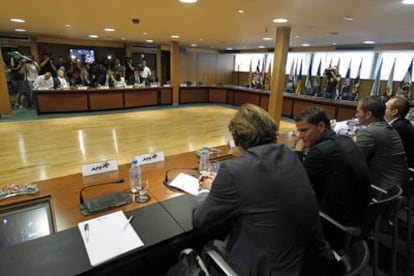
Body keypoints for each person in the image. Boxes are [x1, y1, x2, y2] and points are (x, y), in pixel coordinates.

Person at [193, 104, 336, 275]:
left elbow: (200, 221)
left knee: (209, 247)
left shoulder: (233, 170)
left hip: (273, 270)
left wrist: (206, 190)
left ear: (236, 140)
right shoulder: (289, 155)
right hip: (316, 264)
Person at [294, 107, 371, 249]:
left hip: (336, 224)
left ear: (321, 126)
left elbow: (297, 183)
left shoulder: (320, 151)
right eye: (298, 131)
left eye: (304, 130)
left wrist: (298, 150)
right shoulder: (345, 140)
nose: (300, 136)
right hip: (360, 215)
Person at [354, 96, 409, 190]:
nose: (356, 115)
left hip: (383, 189)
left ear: (368, 114)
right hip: (397, 187)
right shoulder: (386, 127)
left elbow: (352, 159)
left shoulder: (370, 132)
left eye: (358, 112)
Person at [385, 96, 414, 169]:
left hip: (403, 169)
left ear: (394, 112)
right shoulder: (404, 123)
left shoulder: (397, 128)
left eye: (385, 107)